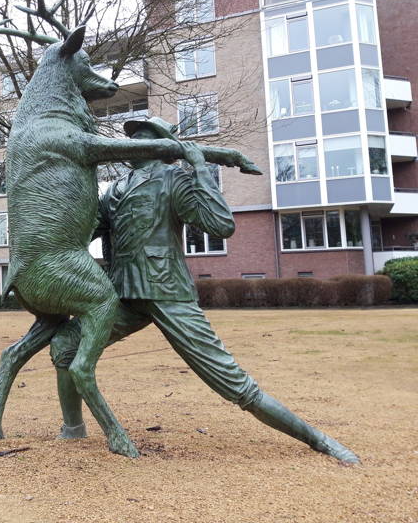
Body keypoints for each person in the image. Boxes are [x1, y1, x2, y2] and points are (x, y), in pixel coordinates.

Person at [50, 117, 360, 464]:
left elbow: (221, 225)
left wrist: (199, 170)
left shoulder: (173, 179)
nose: (133, 141)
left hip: (166, 289)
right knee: (65, 345)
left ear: (159, 145)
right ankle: (73, 429)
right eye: (131, 137)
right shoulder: (116, 189)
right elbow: (83, 233)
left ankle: (319, 440)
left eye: (141, 136)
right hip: (123, 294)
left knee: (230, 380)